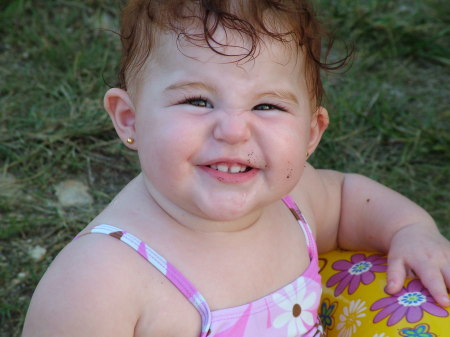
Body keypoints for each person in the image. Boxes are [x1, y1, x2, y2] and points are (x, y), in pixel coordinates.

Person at [22, 1, 450, 336]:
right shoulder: (99, 281)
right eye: (198, 101)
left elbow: (347, 197)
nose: (232, 130)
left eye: (267, 105)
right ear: (130, 118)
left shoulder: (292, 204)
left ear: (310, 133)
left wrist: (411, 230)